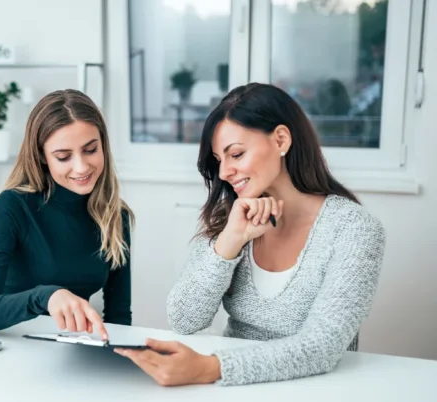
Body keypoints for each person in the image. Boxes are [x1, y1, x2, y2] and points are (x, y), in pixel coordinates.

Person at [115, 83, 385, 386]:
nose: (224, 173)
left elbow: (322, 346)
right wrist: (229, 242)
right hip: (232, 388)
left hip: (311, 389)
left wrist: (211, 368)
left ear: (281, 139)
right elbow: (184, 319)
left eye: (236, 154)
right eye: (219, 160)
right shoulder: (232, 218)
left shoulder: (354, 228)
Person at [0, 89, 134, 340]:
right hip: (10, 345)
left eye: (90, 150)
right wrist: (45, 296)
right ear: (42, 157)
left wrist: (117, 360)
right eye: (64, 156)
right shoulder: (12, 207)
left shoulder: (114, 214)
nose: (81, 167)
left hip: (72, 351)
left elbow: (119, 316)